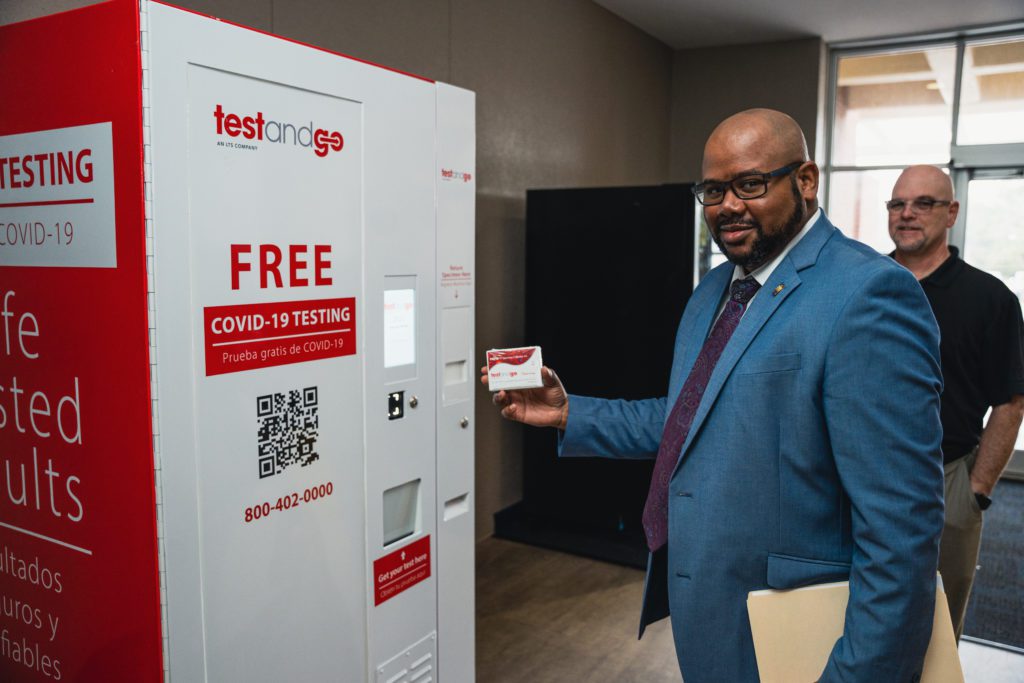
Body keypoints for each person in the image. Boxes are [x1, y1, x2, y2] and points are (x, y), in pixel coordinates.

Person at [482, 109, 945, 682]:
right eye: (713, 190)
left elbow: (901, 532)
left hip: (802, 635)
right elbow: (690, 421)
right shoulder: (713, 290)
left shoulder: (869, 293)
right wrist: (569, 412)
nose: (727, 206)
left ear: (805, 180)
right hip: (711, 612)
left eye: (749, 184)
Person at [888, 165, 1024, 641]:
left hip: (944, 480)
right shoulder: (863, 284)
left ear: (951, 213)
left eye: (923, 203)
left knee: (935, 634)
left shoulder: (990, 299)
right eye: (897, 203)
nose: (907, 213)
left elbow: (1010, 403)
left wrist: (975, 492)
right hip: (855, 477)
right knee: (847, 613)